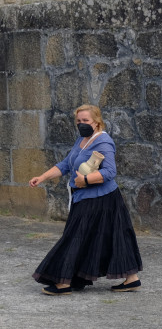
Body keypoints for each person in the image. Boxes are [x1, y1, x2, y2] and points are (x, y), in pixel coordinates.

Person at [30, 104, 142, 295]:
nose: (81, 124)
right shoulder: (82, 140)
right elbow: (66, 164)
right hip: (86, 197)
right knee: (112, 237)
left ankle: (64, 282)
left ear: (97, 122)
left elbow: (110, 171)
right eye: (79, 121)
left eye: (86, 121)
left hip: (101, 199)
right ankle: (131, 279)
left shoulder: (103, 142)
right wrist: (42, 177)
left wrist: (85, 180)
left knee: (75, 237)